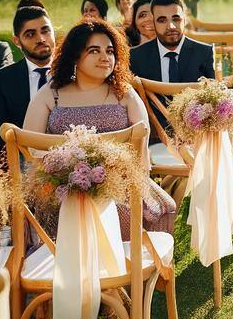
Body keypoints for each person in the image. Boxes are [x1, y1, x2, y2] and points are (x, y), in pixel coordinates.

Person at [23, 19, 175, 234]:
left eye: (110, 51)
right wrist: (67, 176)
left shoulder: (124, 93)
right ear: (75, 56)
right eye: (94, 51)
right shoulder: (51, 94)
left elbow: (141, 151)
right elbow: (31, 148)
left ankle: (135, 264)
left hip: (121, 185)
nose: (105, 57)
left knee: (140, 205)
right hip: (62, 189)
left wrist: (113, 178)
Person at [0, 6, 55, 154]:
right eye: (30, 34)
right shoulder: (2, 80)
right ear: (17, 41)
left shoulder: (75, 73)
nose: (41, 39)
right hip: (22, 165)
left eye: (45, 31)